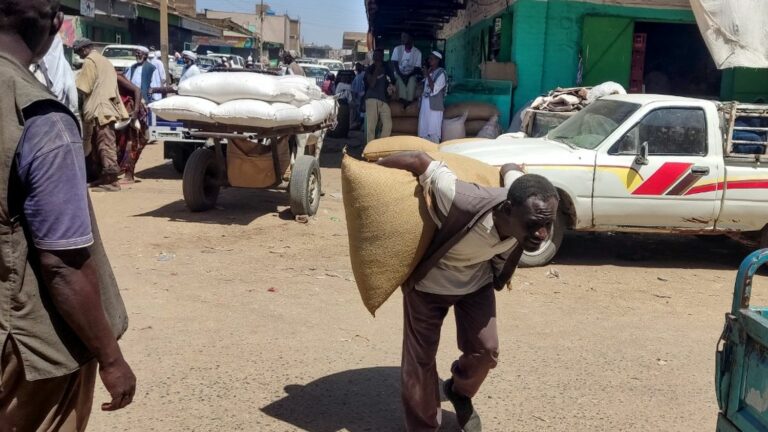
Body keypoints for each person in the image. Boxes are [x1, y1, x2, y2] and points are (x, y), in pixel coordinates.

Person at [0, 1, 135, 429]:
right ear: (57, 26)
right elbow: (63, 264)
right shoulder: (40, 118)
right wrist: (111, 359)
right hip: (24, 345)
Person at [377, 152, 559, 432]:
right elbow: (419, 159)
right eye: (534, 224)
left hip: (476, 284)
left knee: (486, 352)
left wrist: (511, 166)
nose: (542, 235)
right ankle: (423, 426)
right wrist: (370, 170)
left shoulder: (526, 202)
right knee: (420, 360)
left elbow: (511, 169)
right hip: (429, 286)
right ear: (508, 209)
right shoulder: (458, 198)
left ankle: (459, 392)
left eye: (548, 224)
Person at [74, 37, 131, 192]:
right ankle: (103, 177)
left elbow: (84, 87)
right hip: (107, 107)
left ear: (85, 49)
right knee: (100, 144)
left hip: (101, 110)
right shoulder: (105, 61)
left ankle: (112, 181)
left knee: (105, 144)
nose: (80, 56)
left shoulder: (90, 61)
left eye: (79, 52)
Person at [30, 33, 78, 113]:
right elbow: (71, 92)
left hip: (41, 112)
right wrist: (74, 113)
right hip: (61, 111)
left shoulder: (35, 64)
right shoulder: (64, 65)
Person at [115, 74, 147, 184]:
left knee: (132, 144)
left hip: (131, 115)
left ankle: (129, 175)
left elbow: (137, 90)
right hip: (123, 115)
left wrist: (136, 111)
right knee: (123, 145)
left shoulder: (116, 77)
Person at [364, 48, 396, 143]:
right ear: (373, 57)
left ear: (382, 57)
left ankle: (379, 146)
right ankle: (369, 151)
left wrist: (392, 86)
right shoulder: (369, 69)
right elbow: (372, 84)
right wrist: (377, 69)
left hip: (384, 100)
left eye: (380, 56)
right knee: (371, 127)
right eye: (376, 56)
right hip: (371, 99)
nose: (378, 58)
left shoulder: (387, 68)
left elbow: (393, 80)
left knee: (388, 125)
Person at [418, 51, 447, 143]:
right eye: (429, 58)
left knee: (433, 129)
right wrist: (425, 75)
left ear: (437, 60)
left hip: (435, 105)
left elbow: (434, 88)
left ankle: (434, 151)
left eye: (432, 58)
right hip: (425, 104)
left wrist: (427, 75)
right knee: (424, 128)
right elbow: (423, 86)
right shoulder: (430, 71)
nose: (429, 60)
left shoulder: (442, 73)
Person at [391, 32, 423, 104]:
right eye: (402, 37)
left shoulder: (417, 52)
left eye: (405, 37)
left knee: (412, 81)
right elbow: (394, 64)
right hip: (398, 73)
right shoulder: (397, 49)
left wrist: (407, 76)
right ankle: (402, 100)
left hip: (411, 74)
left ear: (411, 39)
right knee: (400, 81)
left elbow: (416, 68)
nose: (402, 39)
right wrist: (402, 76)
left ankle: (409, 100)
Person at [350, 62, 366, 130]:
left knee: (361, 111)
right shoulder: (357, 75)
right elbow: (353, 86)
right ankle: (358, 125)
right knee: (357, 111)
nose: (356, 69)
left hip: (362, 95)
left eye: (357, 67)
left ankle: (361, 125)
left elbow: (365, 85)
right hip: (357, 96)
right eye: (356, 68)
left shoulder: (363, 74)